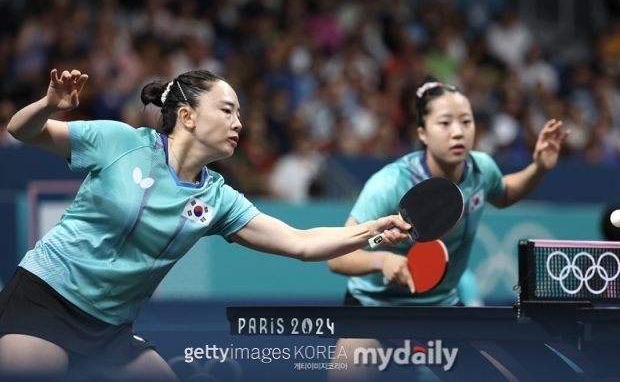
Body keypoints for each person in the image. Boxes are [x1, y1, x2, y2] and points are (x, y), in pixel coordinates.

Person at [0, 68, 411, 381]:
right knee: (35, 369)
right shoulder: (121, 142)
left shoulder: (217, 199)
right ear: (188, 117)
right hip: (44, 297)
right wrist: (50, 105)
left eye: (239, 114)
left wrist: (374, 228)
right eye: (227, 111)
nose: (239, 124)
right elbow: (22, 130)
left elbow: (300, 242)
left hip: (110, 326)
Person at [327, 78, 569, 381]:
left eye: (466, 121)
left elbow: (504, 193)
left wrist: (539, 168)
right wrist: (382, 260)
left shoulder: (481, 170)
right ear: (422, 134)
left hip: (440, 309)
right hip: (376, 308)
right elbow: (337, 259)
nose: (458, 131)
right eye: (444, 123)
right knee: (345, 374)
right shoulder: (389, 184)